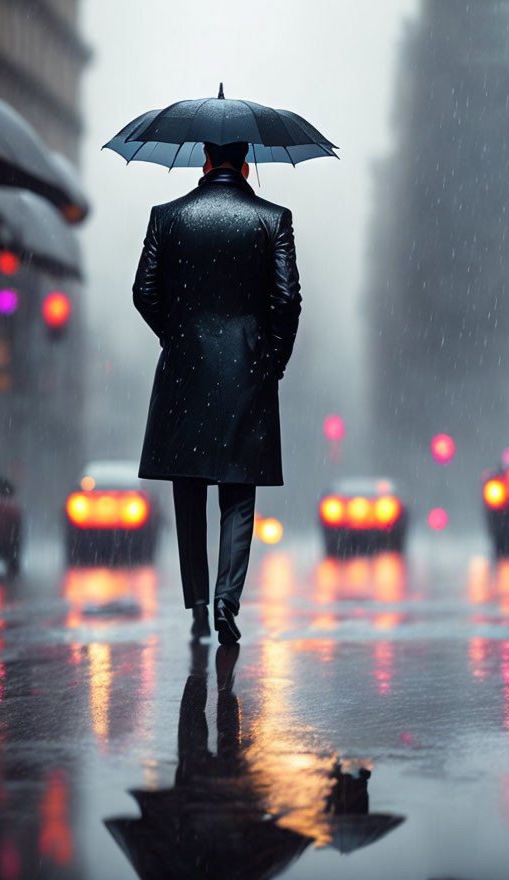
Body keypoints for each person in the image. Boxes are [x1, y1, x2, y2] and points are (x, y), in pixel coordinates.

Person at [133, 141, 301, 643]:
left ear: (204, 160)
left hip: (186, 370)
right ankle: (229, 599)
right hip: (248, 368)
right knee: (238, 492)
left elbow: (143, 291)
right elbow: (287, 299)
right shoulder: (274, 219)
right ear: (245, 162)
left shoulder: (167, 216)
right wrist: (273, 358)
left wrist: (176, 333)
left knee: (188, 487)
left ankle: (199, 600)